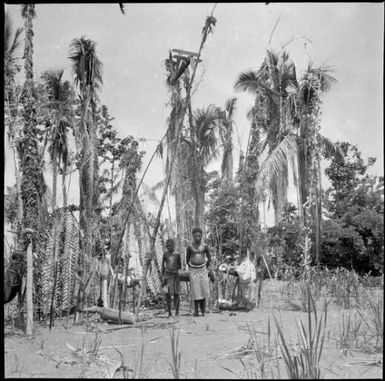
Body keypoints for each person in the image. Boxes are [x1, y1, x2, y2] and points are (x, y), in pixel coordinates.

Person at [186, 227, 211, 317]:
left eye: (199, 236)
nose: (197, 237)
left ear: (201, 236)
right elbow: (187, 259)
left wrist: (204, 267)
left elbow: (209, 258)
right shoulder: (189, 247)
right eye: (195, 236)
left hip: (203, 269)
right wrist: (193, 267)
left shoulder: (205, 246)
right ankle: (196, 311)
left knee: (203, 290)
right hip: (193, 270)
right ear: (193, 236)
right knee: (196, 291)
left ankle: (203, 310)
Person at [161, 238, 181, 317]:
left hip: (176, 276)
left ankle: (177, 312)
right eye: (167, 246)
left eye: (170, 245)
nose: (169, 247)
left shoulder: (177, 254)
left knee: (176, 293)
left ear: (174, 245)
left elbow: (180, 266)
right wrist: (163, 278)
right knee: (168, 294)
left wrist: (178, 273)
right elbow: (163, 266)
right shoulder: (165, 254)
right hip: (167, 275)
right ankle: (169, 312)